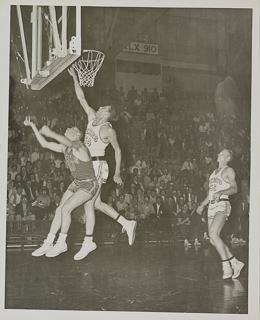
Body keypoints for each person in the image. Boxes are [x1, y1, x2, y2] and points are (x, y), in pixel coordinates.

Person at [68, 67, 137, 260]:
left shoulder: (108, 130)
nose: (99, 108)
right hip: (89, 165)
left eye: (103, 108)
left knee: (89, 204)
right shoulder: (91, 119)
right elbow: (81, 98)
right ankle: (126, 223)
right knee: (96, 203)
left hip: (98, 165)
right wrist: (74, 77)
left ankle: (88, 241)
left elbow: (118, 150)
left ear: (107, 114)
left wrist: (116, 173)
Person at [24, 116, 98, 258]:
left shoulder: (80, 146)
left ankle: (62, 242)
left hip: (89, 183)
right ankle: (49, 242)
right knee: (59, 209)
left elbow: (67, 142)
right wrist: (33, 126)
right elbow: (45, 144)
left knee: (65, 209)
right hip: (76, 182)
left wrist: (51, 133)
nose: (69, 128)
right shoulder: (65, 148)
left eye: (72, 129)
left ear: (77, 136)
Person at [197, 149, 244, 279]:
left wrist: (221, 192)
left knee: (212, 233)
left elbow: (234, 189)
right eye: (219, 153)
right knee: (213, 239)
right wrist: (202, 205)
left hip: (223, 204)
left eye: (222, 154)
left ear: (228, 158)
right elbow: (211, 194)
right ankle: (235, 262)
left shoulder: (228, 170)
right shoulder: (213, 173)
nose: (218, 154)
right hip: (211, 206)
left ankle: (226, 266)